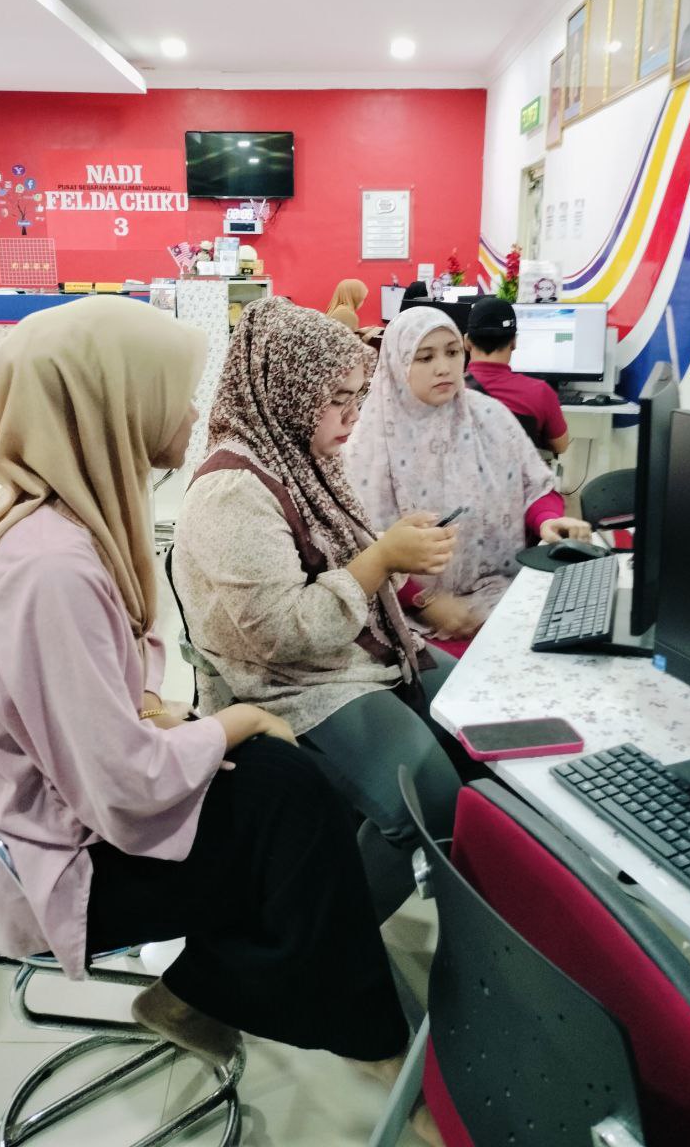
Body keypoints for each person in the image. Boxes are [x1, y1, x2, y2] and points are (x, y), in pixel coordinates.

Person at [0, 297, 418, 1089]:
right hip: (58, 865)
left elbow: (104, 715)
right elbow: (122, 787)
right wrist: (232, 722)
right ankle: (366, 1041)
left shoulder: (65, 531)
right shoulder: (54, 569)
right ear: (113, 407)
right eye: (172, 394)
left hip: (67, 813)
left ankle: (220, 996)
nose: (194, 413)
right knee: (296, 812)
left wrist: (191, 725)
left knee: (289, 799)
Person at [173, 297, 469, 923]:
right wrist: (382, 558)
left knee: (481, 714)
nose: (353, 416)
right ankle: (318, 948)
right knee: (431, 805)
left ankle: (343, 888)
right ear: (288, 391)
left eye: (359, 397)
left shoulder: (302, 456)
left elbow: (336, 558)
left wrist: (390, 550)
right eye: (337, 399)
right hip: (286, 684)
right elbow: (283, 634)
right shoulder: (232, 491)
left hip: (346, 654)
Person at [343, 306, 590, 656]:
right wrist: (424, 600)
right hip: (404, 614)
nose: (443, 367)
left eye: (452, 352)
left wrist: (548, 520)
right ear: (398, 364)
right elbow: (357, 544)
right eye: (425, 357)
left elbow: (534, 485)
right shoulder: (367, 442)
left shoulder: (489, 415)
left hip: (495, 593)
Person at [464, 295, 569, 455]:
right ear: (514, 342)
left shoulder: (448, 392)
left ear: (466, 342)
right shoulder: (541, 393)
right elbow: (560, 446)